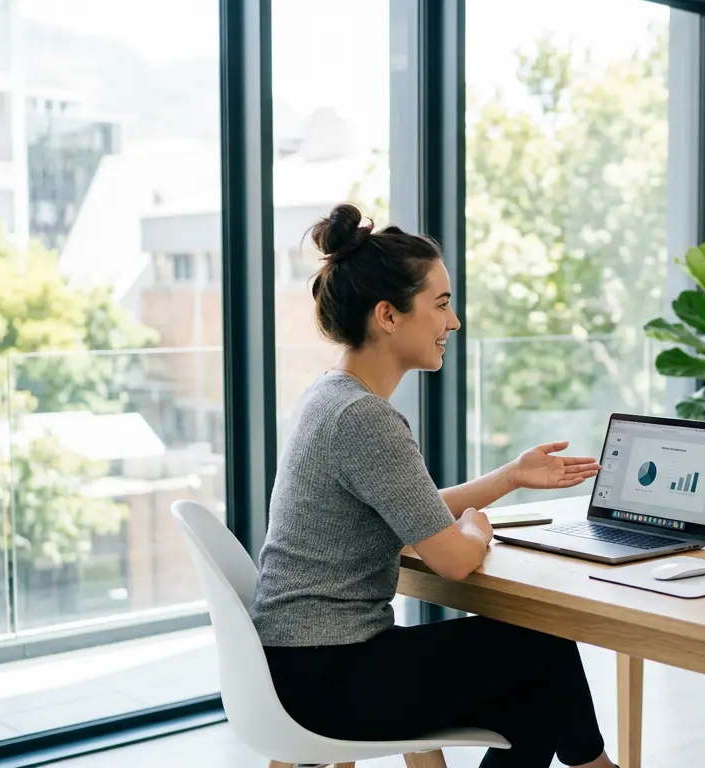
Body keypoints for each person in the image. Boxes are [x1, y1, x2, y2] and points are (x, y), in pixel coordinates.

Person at [250, 203, 616, 768]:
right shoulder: (364, 418)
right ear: (388, 316)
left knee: (532, 689)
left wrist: (510, 476)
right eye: (441, 305)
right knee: (543, 647)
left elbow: (407, 509)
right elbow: (452, 560)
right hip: (328, 676)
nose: (455, 322)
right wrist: (475, 530)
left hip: (300, 665)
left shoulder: (331, 396)